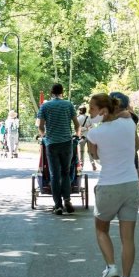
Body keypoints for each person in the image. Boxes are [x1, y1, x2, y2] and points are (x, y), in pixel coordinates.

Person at [85, 93, 139, 277]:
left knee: (101, 229)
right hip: (131, 185)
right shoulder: (129, 123)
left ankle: (111, 267)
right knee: (128, 238)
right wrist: (124, 113)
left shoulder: (95, 134)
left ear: (104, 111)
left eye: (92, 109)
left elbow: (95, 156)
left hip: (108, 186)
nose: (90, 112)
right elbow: (136, 144)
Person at [36, 83, 80, 214]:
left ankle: (58, 205)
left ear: (51, 92)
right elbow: (77, 124)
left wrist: (44, 136)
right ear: (62, 92)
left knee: (54, 174)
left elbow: (41, 126)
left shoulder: (45, 106)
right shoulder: (68, 104)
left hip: (52, 143)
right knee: (65, 173)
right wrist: (77, 136)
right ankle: (67, 199)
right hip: (66, 142)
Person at [110, 91, 139, 200]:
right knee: (135, 169)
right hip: (131, 147)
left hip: (120, 148)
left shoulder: (116, 117)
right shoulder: (131, 115)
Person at [76, 105, 94, 170]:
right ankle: (93, 163)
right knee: (90, 151)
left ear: (79, 110)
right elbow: (92, 127)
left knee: (81, 151)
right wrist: (87, 128)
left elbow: (78, 128)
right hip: (89, 136)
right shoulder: (88, 118)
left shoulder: (77, 118)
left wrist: (83, 129)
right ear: (85, 110)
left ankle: (81, 165)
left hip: (81, 137)